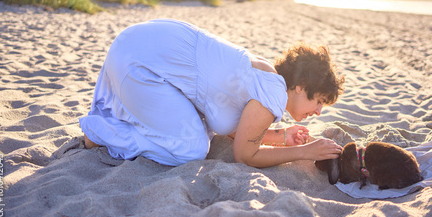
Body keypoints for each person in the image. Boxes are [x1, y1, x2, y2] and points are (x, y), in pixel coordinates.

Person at [80, 19, 345, 168]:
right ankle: (104, 132)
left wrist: (281, 136)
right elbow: (245, 154)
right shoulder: (274, 93)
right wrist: (306, 152)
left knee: (199, 127)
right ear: (300, 87)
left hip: (134, 44)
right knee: (191, 148)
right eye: (319, 100)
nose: (319, 111)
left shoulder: (266, 75)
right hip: (141, 65)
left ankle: (115, 122)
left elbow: (233, 125)